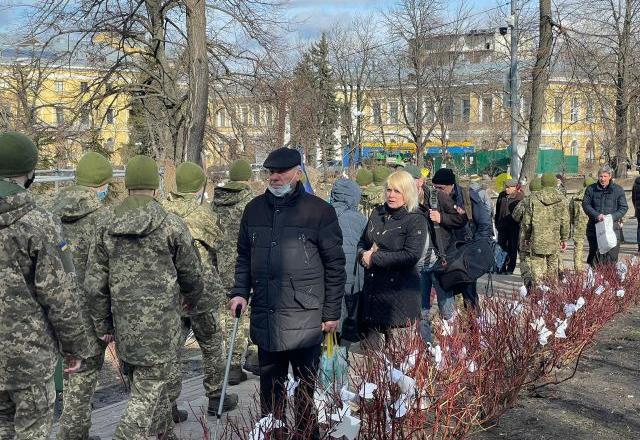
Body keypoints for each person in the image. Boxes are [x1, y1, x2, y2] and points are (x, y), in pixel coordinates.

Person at [228, 147, 346, 439]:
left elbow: (335, 265)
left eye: (281, 172)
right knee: (271, 392)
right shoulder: (253, 209)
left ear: (297, 173)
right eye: (271, 172)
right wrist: (240, 292)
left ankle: (307, 435)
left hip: (305, 318)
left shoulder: (319, 211)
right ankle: (274, 434)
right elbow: (244, 256)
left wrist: (332, 312)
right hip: (267, 317)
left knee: (305, 391)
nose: (275, 177)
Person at [85, 155, 203, 440]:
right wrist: (192, 298)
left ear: (127, 186)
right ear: (155, 185)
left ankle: (165, 434)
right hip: (162, 327)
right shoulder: (171, 224)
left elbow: (93, 283)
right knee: (146, 394)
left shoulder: (105, 225)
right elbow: (192, 271)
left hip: (125, 326)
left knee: (150, 386)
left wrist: (103, 325)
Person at [0, 132, 91, 439]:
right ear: (29, 172)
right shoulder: (40, 223)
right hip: (30, 359)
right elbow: (60, 296)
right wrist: (75, 347)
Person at [163, 162, 238, 419]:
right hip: (201, 290)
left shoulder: (162, 211)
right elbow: (218, 242)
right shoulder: (203, 214)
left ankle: (169, 404)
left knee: (172, 349)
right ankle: (216, 397)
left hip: (170, 291)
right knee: (211, 343)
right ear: (198, 187)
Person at [52, 151, 113, 440]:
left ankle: (79, 431)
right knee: (83, 375)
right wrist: (105, 324)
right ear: (102, 183)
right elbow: (101, 277)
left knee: (62, 376)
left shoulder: (47, 211)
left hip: (49, 310)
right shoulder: (104, 220)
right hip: (86, 315)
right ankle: (73, 434)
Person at [357, 170, 428, 349]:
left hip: (399, 296)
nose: (391, 195)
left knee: (398, 359)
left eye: (397, 191)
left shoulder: (415, 219)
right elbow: (362, 242)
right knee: (370, 362)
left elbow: (411, 255)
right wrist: (362, 255)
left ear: (408, 192)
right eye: (389, 190)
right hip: (373, 294)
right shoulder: (377, 213)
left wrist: (375, 257)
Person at [212, 159, 256, 380]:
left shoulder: (216, 201)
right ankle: (250, 357)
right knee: (250, 312)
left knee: (228, 317)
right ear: (248, 178)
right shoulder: (252, 203)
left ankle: (231, 363)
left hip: (220, 266)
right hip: (245, 266)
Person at [329, 178, 367, 343]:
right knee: (348, 327)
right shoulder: (361, 219)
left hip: (328, 282)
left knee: (330, 328)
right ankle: (341, 360)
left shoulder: (322, 215)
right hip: (352, 282)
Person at [519, 173, 570, 283]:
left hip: (537, 239)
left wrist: (527, 237)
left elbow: (527, 222)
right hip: (554, 240)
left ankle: (539, 293)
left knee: (537, 270)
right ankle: (552, 294)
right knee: (552, 271)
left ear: (542, 183)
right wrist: (564, 238)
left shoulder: (533, 199)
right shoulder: (562, 198)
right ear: (554, 183)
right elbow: (565, 221)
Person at [582, 165, 628, 266]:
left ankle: (610, 280)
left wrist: (612, 217)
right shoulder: (591, 189)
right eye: (600, 176)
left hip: (612, 228)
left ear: (610, 176)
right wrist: (597, 215)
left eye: (605, 176)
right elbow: (586, 205)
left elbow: (623, 207)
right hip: (594, 229)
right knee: (595, 259)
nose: (602, 179)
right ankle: (596, 280)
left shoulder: (618, 190)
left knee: (611, 259)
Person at [513, 177, 542, 288]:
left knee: (524, 258)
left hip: (525, 235)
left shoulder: (525, 201)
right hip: (541, 236)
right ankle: (539, 282)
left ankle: (527, 279)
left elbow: (515, 216)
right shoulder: (547, 201)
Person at [495, 179, 524, 274]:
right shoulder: (501, 195)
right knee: (500, 246)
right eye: (506, 187)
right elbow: (498, 210)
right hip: (502, 225)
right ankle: (500, 267)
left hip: (514, 226)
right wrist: (497, 223)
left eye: (508, 187)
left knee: (512, 247)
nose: (506, 189)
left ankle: (510, 268)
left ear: (515, 187)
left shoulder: (520, 196)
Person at [570, 177, 595, 271]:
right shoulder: (595, 195)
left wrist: (574, 222)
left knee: (578, 247)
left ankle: (578, 268)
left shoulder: (576, 197)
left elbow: (571, 213)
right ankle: (593, 266)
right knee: (594, 245)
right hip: (593, 224)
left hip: (579, 224)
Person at [632, 173, 640, 254]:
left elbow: (633, 198)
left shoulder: (635, 183)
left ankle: (639, 248)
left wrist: (636, 208)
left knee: (639, 228)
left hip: (638, 209)